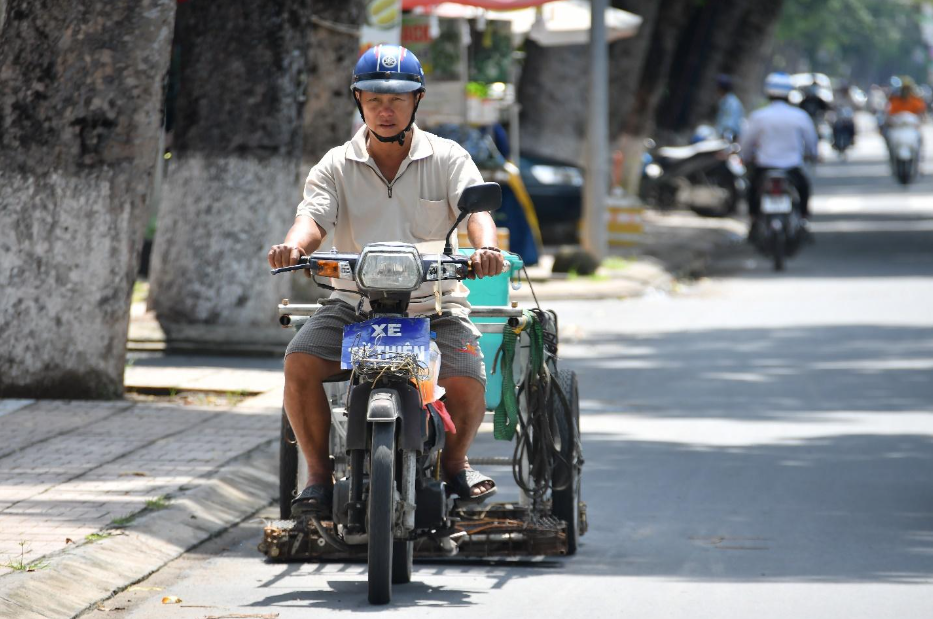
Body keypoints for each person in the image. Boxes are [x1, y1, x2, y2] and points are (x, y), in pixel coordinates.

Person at [267, 44, 505, 517]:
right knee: (299, 361)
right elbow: (312, 216)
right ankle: (316, 477)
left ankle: (456, 464)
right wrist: (295, 246)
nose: (385, 109)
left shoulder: (448, 156)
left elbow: (476, 211)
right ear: (358, 100)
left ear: (417, 100)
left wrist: (486, 248)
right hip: (354, 305)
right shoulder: (336, 163)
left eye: (397, 98)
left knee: (469, 377)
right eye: (374, 98)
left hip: (433, 306)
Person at [740, 72, 818, 237]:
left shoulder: (759, 116)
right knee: (804, 188)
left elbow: (746, 143)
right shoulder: (799, 116)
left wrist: (744, 158)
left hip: (764, 167)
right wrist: (813, 155)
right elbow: (811, 143)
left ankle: (753, 220)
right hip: (792, 168)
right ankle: (803, 221)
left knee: (752, 190)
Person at [714, 74, 745, 141]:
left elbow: (730, 127)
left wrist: (725, 141)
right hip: (722, 137)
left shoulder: (732, 103)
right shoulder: (724, 101)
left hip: (728, 139)